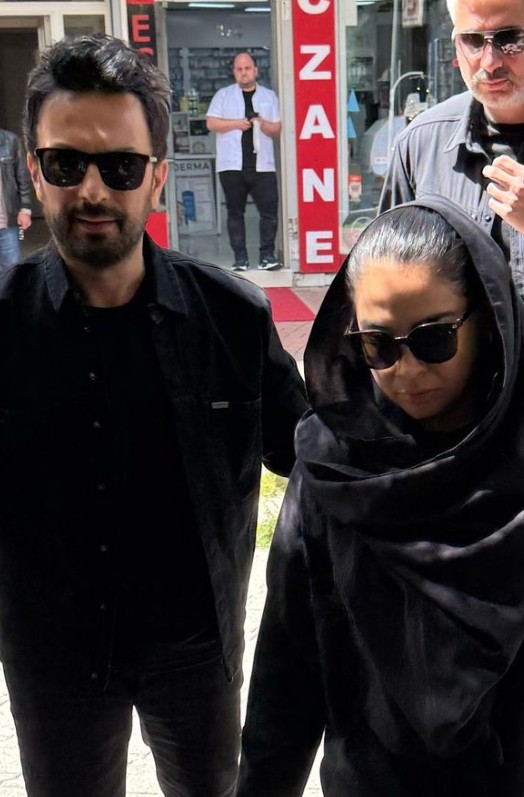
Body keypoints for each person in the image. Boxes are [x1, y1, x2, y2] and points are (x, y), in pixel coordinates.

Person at [0, 33, 307, 797]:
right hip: (54, 657)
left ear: (158, 178)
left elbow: (314, 455)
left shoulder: (231, 317)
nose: (92, 190)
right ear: (35, 172)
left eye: (121, 167)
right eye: (66, 164)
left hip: (196, 650)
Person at [237, 196, 524, 796]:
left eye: (433, 339)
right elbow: (289, 667)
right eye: (379, 345)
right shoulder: (335, 459)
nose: (407, 370)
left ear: (487, 317)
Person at [379, 0, 524, 371]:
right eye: (472, 40)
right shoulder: (422, 145)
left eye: (510, 39)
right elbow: (385, 285)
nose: (490, 61)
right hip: (464, 400)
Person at [206, 52, 283, 272]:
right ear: (234, 72)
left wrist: (262, 123)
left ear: (255, 70)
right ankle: (240, 259)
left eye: (247, 68)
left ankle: (266, 256)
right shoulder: (223, 95)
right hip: (232, 165)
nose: (243, 73)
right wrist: (236, 124)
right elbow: (211, 123)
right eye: (239, 69)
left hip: (263, 166)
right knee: (235, 212)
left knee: (269, 212)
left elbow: (277, 129)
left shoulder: (269, 96)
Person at [0, 126, 33, 267]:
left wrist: (25, 210)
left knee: (12, 270)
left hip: (6, 223)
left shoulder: (10, 141)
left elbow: (22, 177)